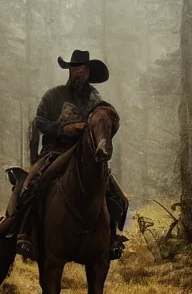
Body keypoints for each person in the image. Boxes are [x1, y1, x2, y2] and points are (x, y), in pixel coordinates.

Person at [10, 50, 128, 259]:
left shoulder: (96, 100)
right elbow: (40, 121)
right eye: (74, 68)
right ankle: (24, 233)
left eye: (81, 68)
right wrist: (61, 129)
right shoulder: (53, 96)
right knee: (31, 186)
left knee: (118, 197)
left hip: (87, 158)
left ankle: (111, 238)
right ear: (69, 71)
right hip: (55, 153)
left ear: (88, 71)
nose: (77, 73)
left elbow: (104, 125)